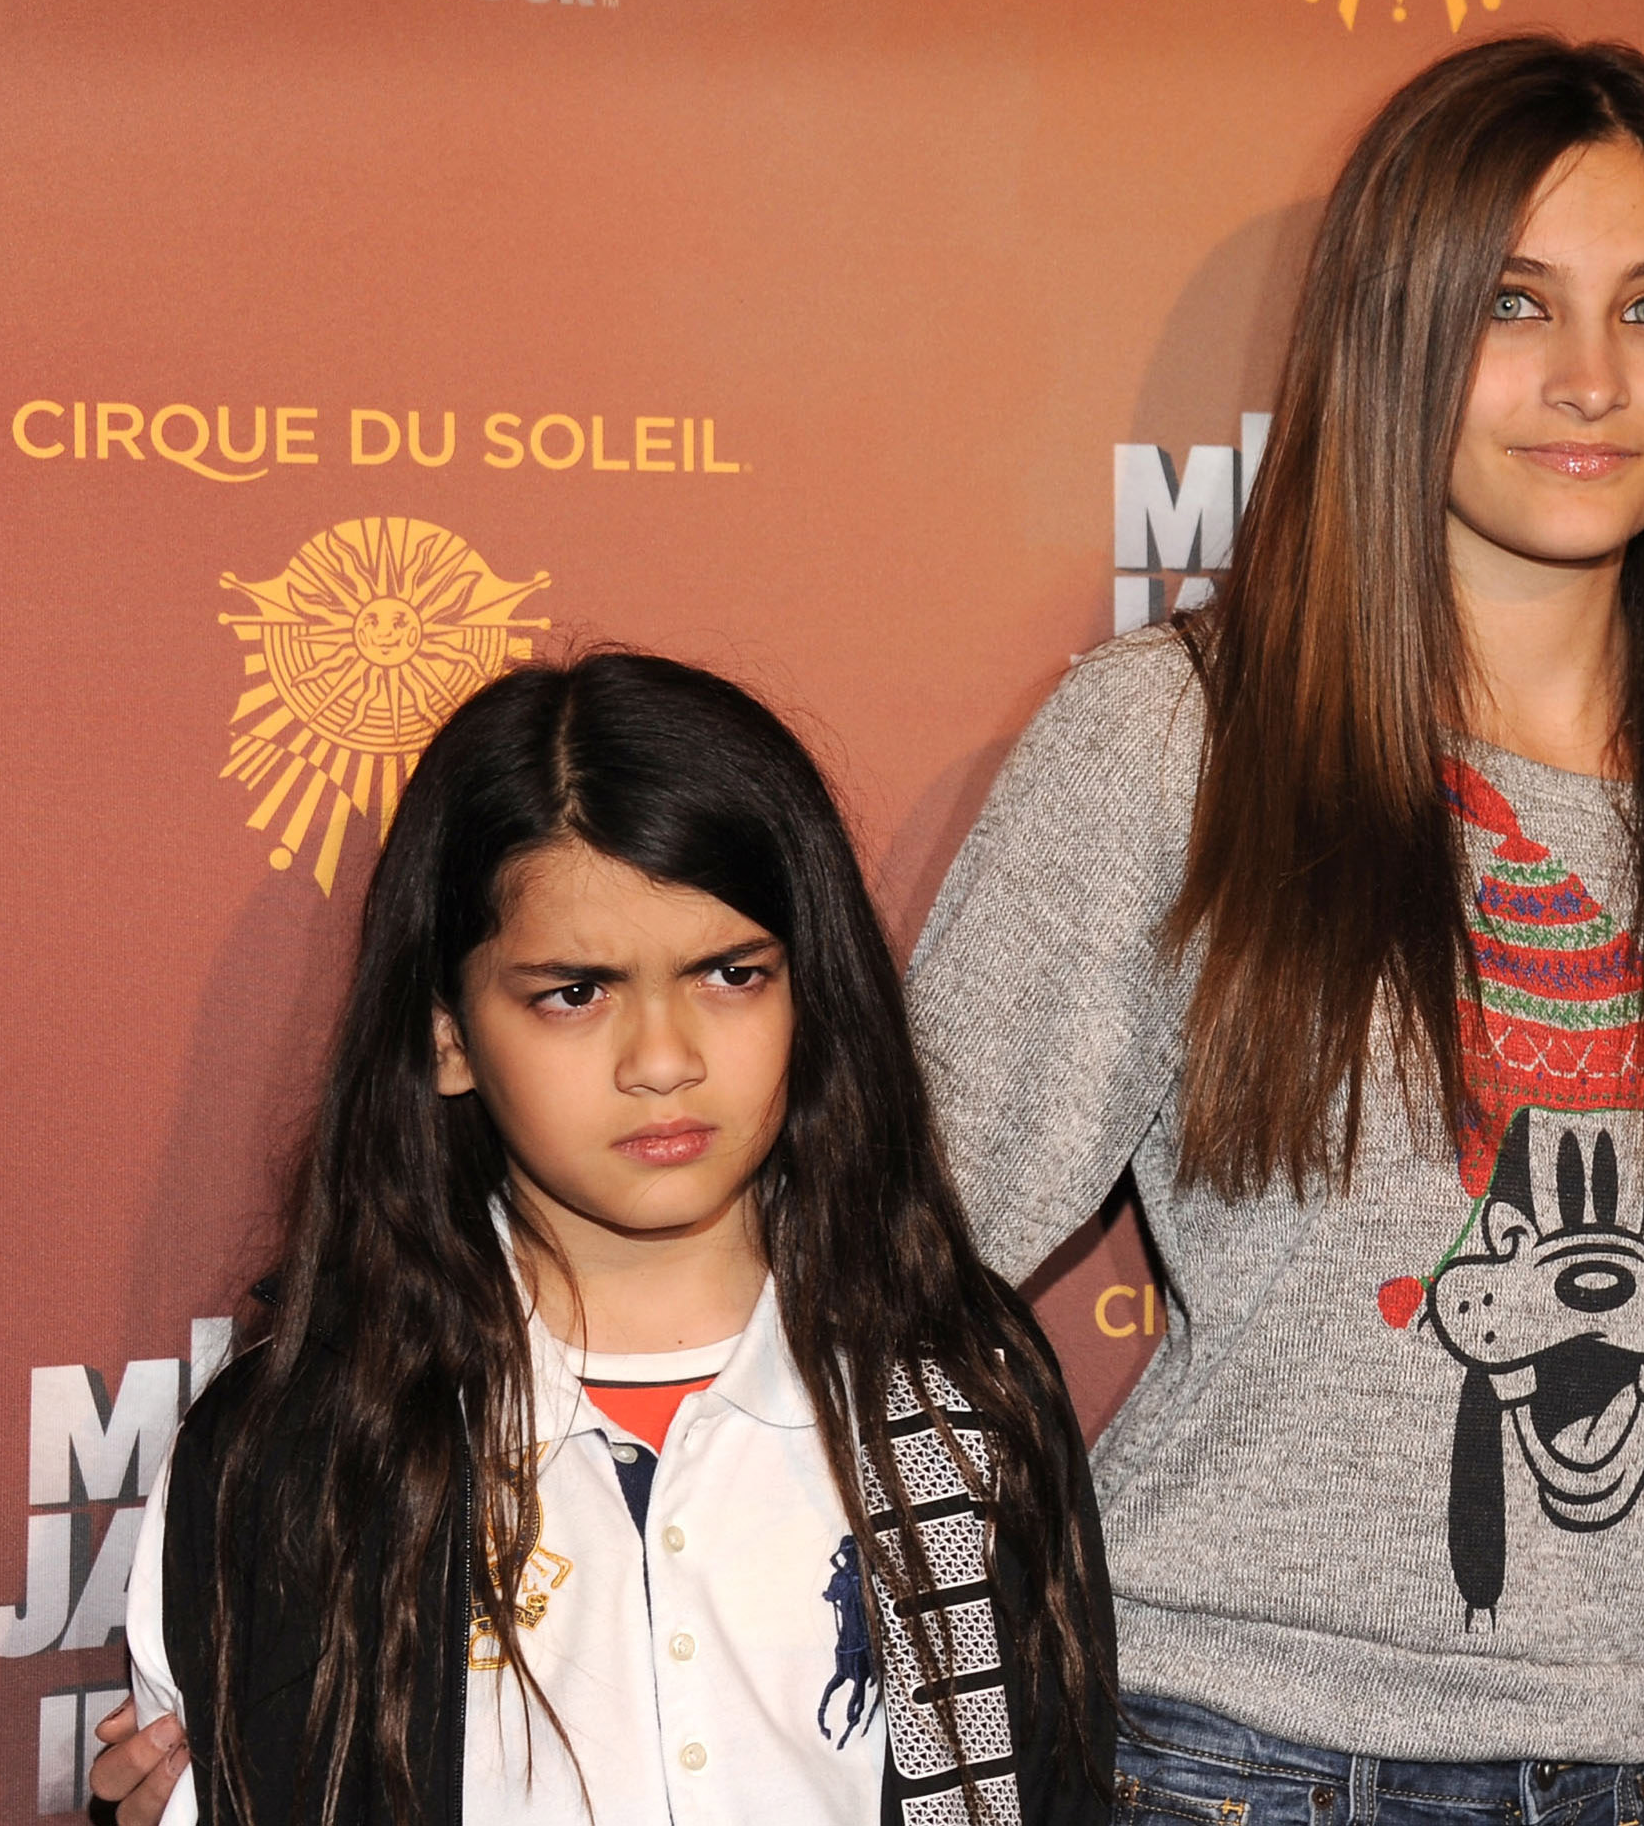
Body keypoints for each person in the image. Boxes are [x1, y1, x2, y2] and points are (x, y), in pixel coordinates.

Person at [900, 36, 1644, 1825]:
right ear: (1392, 328)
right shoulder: (1177, 739)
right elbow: (873, 1256)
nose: (1592, 380)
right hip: (1237, 1761)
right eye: (1516, 303)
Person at [93, 652, 1113, 1826]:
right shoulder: (301, 1452)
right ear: (447, 1034)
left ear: (810, 993)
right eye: (575, 991)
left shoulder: (952, 1398)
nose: (664, 1058)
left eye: (730, 973)